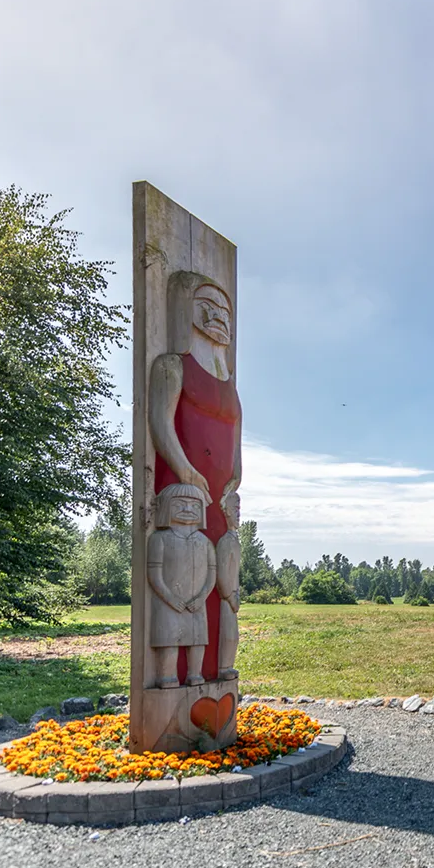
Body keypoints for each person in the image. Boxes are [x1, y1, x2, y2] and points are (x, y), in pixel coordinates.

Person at [149, 273, 242, 683]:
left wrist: (235, 481)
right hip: (183, 486)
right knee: (178, 569)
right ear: (185, 306)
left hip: (220, 499)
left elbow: (236, 441)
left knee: (225, 590)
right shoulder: (172, 365)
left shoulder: (230, 385)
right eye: (207, 304)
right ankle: (173, 683)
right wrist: (187, 470)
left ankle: (219, 673)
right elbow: (160, 423)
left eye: (225, 311)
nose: (217, 316)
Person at [148, 483, 216, 688]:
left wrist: (202, 596)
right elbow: (154, 574)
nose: (187, 510)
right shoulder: (159, 539)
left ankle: (195, 674)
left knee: (196, 640)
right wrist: (170, 599)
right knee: (169, 640)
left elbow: (211, 574)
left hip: (196, 602)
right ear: (166, 507)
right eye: (179, 505)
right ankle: (166, 676)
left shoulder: (204, 542)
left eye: (194, 506)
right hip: (168, 602)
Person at [216, 491, 241, 680]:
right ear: (226, 512)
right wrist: (229, 595)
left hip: (233, 597)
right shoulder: (225, 542)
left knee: (234, 635)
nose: (238, 514)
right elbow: (222, 572)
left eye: (239, 509)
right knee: (227, 633)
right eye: (235, 509)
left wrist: (237, 593)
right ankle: (224, 667)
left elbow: (234, 573)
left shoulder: (234, 541)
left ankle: (227, 665)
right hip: (227, 598)